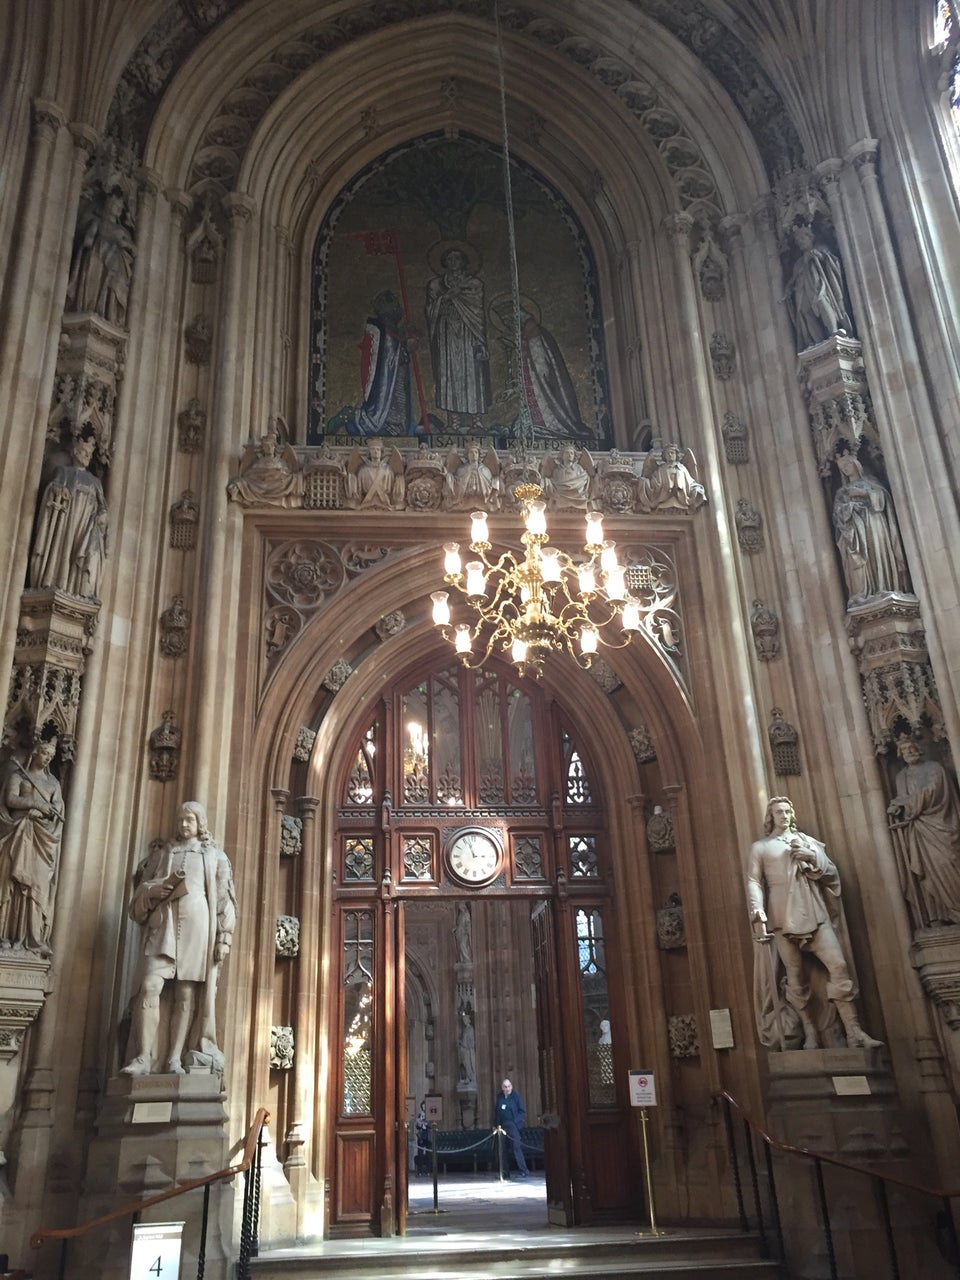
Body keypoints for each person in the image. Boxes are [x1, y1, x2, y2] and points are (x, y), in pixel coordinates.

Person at [747, 796, 881, 1051]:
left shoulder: (807, 842)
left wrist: (812, 857)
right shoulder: (761, 847)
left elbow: (831, 873)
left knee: (839, 965)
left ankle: (854, 1032)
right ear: (770, 816)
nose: (783, 816)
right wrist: (756, 908)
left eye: (787, 811)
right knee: (795, 976)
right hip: (781, 915)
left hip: (813, 910)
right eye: (778, 812)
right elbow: (753, 881)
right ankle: (810, 1032)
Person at [121, 800, 237, 1076]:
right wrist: (154, 891)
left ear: (200, 824)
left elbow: (225, 898)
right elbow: (142, 889)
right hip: (164, 926)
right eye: (181, 820)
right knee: (150, 986)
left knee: (185, 993)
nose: (184, 825)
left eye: (190, 820)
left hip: (198, 927)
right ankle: (142, 1057)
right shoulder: (164, 853)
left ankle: (174, 1058)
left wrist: (224, 937)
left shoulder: (215, 856)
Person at [492, 297, 591, 441]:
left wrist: (533, 378)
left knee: (546, 411)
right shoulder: (525, 337)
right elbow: (527, 371)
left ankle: (553, 426)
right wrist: (516, 388)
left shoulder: (535, 334)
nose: (509, 326)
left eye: (509, 322)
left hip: (543, 384)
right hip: (535, 384)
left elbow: (541, 368)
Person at [0, 736, 64, 956]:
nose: (47, 758)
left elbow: (57, 807)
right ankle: (7, 937)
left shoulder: (53, 783)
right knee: (14, 884)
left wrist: (49, 810)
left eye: (51, 756)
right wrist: (34, 805)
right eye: (45, 753)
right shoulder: (18, 775)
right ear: (35, 752)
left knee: (37, 885)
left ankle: (33, 938)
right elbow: (10, 799)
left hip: (42, 838)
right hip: (19, 833)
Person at [888, 736, 960, 927]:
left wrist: (906, 803)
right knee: (928, 872)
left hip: (942, 825)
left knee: (947, 861)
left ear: (919, 749)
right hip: (919, 832)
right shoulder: (901, 776)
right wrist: (897, 807)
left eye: (911, 748)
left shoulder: (935, 769)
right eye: (904, 750)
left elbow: (935, 792)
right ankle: (939, 915)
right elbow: (903, 800)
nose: (909, 752)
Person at [28, 433, 108, 599]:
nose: (86, 457)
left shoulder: (95, 482)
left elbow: (103, 507)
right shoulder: (63, 472)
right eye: (83, 452)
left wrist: (101, 515)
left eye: (88, 454)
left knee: (82, 552)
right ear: (74, 452)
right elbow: (51, 488)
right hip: (64, 522)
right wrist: (57, 490)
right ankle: (53, 581)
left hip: (84, 526)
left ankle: (75, 588)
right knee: (60, 549)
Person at [425, 245, 490, 430]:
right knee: (449, 375)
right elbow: (430, 311)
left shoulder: (474, 284)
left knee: (473, 375)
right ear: (445, 262)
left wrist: (481, 340)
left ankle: (476, 421)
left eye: (457, 258)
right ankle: (453, 421)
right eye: (450, 259)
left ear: (464, 262)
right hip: (446, 335)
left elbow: (477, 312)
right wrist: (445, 298)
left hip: (470, 334)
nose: (453, 262)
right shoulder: (436, 285)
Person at [832, 452, 909, 606]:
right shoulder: (842, 492)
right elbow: (837, 515)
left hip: (874, 524)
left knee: (878, 552)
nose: (846, 469)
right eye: (842, 468)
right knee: (861, 560)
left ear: (856, 464)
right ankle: (864, 593)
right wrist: (850, 508)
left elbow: (884, 499)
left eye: (847, 464)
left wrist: (865, 493)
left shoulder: (871, 482)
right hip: (856, 530)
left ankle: (885, 586)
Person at [66, 186, 136, 326]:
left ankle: (108, 313)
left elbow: (134, 250)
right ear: (109, 205)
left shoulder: (122, 230)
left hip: (115, 266)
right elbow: (88, 241)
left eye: (120, 207)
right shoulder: (98, 222)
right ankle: (87, 306)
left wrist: (124, 245)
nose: (118, 208)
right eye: (116, 205)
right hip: (96, 260)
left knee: (112, 288)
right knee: (93, 276)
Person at [354, 289, 419, 436]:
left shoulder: (393, 333)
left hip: (398, 378)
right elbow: (387, 359)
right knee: (393, 401)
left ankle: (398, 426)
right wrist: (405, 348)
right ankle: (389, 425)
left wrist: (406, 344)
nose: (399, 310)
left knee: (400, 401)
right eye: (395, 306)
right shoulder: (383, 333)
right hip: (387, 382)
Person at [782, 221, 853, 350]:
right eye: (798, 241)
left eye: (802, 239)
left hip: (818, 287)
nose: (800, 243)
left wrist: (819, 256)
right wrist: (788, 289)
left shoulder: (820, 249)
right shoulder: (798, 262)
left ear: (810, 238)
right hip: (802, 291)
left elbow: (832, 262)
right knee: (805, 313)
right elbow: (794, 278)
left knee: (822, 303)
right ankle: (816, 342)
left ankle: (834, 331)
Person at [345, 438, 405, 509]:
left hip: (385, 502)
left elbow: (391, 487)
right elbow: (359, 489)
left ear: (381, 452)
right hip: (366, 502)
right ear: (369, 452)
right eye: (373, 449)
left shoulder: (388, 470)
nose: (375, 452)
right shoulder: (362, 470)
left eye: (378, 449)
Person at [493, 1078, 528, 1177]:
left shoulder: (516, 1096)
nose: (507, 1088)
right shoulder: (500, 1096)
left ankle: (523, 1170)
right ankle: (505, 1172)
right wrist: (495, 1124)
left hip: (513, 1125)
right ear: (502, 1088)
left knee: (516, 1147)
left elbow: (522, 1111)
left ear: (511, 1087)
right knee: (503, 1149)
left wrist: (515, 1123)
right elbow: (497, 1112)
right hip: (502, 1126)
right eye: (505, 1087)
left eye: (509, 1086)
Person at [542, 444, 595, 510]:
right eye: (567, 453)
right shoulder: (557, 470)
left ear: (574, 456)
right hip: (560, 496)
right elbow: (553, 482)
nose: (569, 455)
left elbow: (585, 478)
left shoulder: (579, 469)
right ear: (562, 455)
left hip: (578, 496)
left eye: (572, 453)